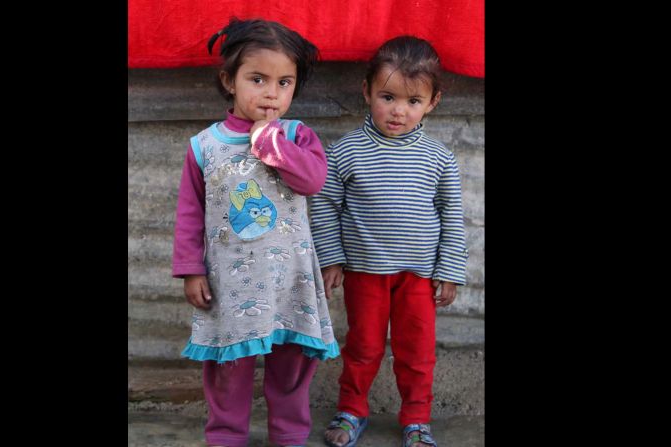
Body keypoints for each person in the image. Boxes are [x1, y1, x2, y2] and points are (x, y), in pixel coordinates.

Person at [171, 17, 339, 447]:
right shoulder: (205, 145)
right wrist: (192, 269)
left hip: (290, 281)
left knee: (291, 366)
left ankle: (289, 435)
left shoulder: (297, 136)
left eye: (284, 83)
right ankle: (226, 435)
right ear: (230, 80)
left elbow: (313, 181)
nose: (271, 93)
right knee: (229, 370)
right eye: (258, 79)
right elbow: (190, 211)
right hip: (231, 282)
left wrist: (276, 147)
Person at [310, 36, 469, 447]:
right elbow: (325, 206)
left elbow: (452, 214)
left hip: (418, 276)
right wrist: (332, 259)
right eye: (387, 96)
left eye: (413, 101)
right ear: (366, 91)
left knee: (416, 352)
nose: (398, 110)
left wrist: (449, 270)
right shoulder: (345, 152)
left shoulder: (439, 158)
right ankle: (351, 410)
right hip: (365, 273)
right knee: (362, 347)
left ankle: (417, 419)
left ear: (433, 102)